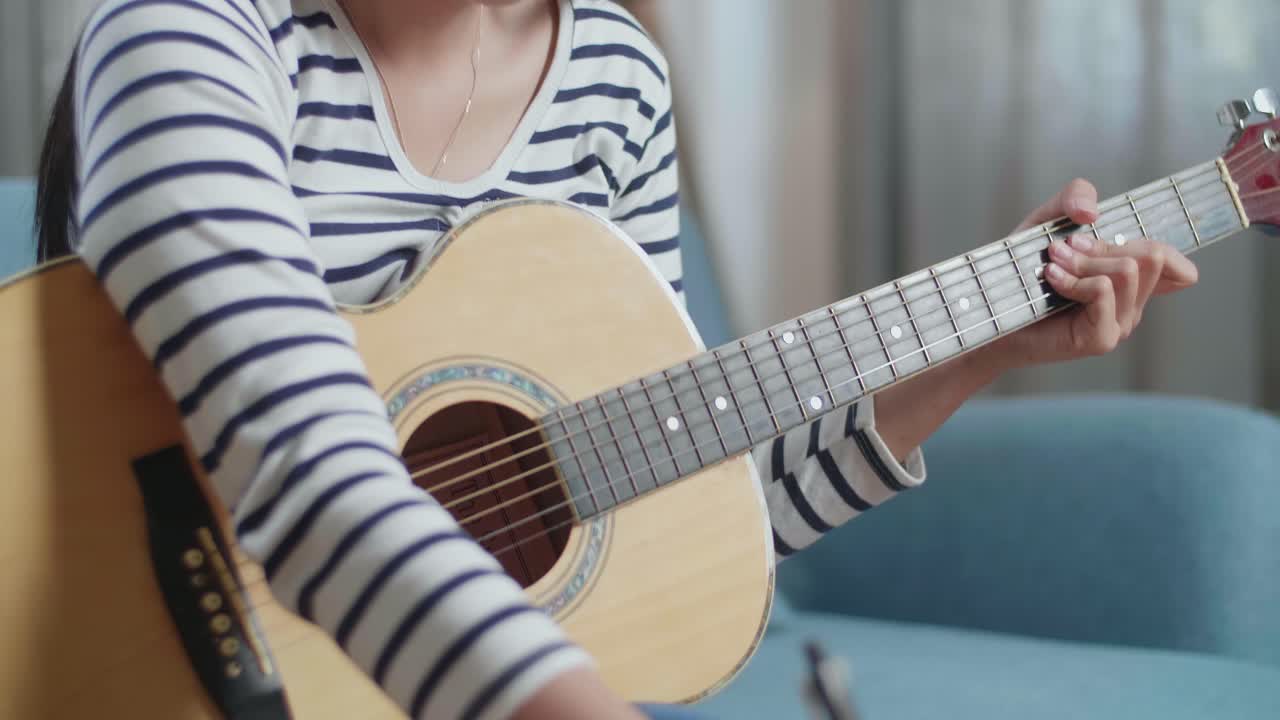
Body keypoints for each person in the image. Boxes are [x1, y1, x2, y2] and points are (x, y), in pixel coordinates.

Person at [34, 1, 1198, 718]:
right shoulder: (185, 31)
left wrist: (968, 351)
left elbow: (669, 513)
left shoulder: (612, 76)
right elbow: (306, 472)